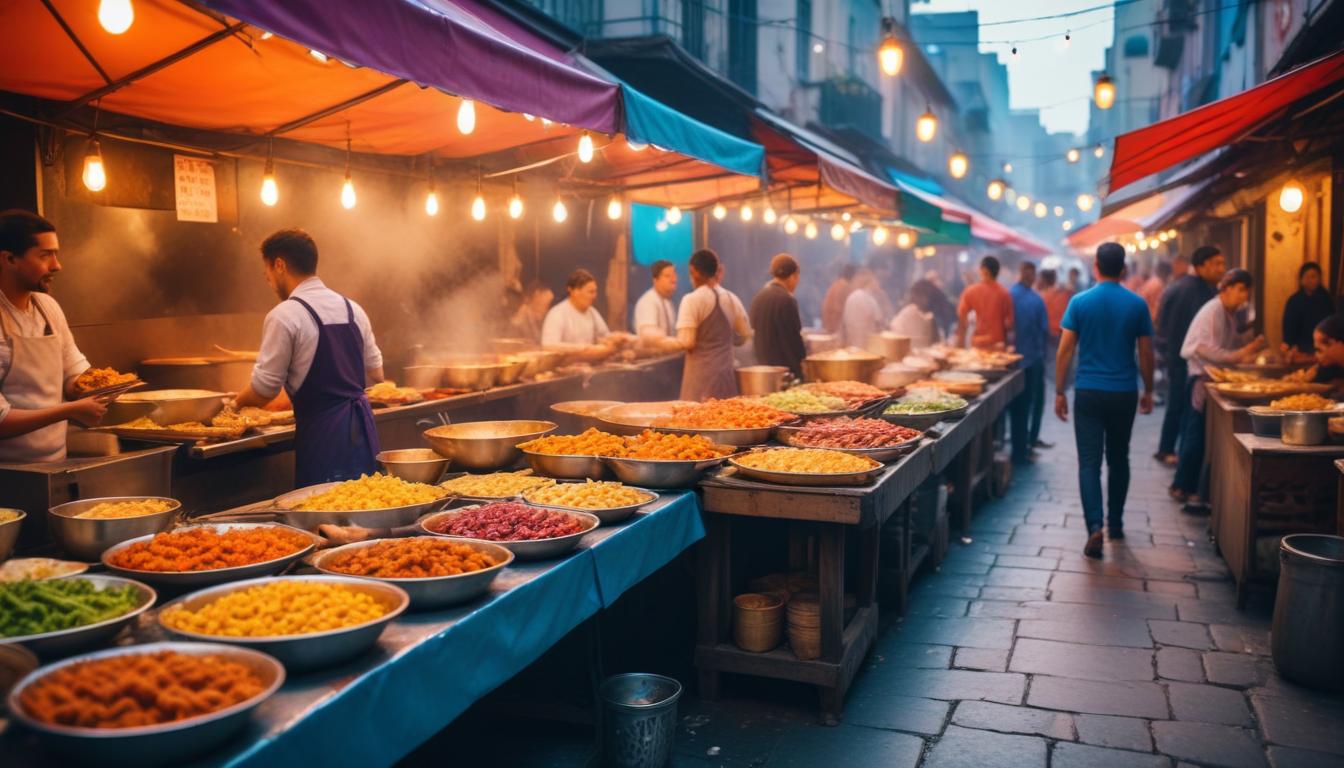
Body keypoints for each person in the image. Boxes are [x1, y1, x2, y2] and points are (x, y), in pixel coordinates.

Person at [235, 229, 383, 485]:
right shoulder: (353, 308)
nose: (268, 282)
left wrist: (233, 407)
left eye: (266, 273)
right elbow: (376, 374)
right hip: (362, 429)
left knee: (322, 514)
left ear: (279, 264)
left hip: (323, 433)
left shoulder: (285, 315)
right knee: (365, 504)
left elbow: (264, 389)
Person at [1054, 242, 1155, 558]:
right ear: (1124, 268)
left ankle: (1095, 526)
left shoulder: (1079, 302)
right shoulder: (1137, 305)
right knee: (1118, 457)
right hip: (1124, 392)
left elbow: (1065, 350)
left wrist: (1059, 390)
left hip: (1089, 392)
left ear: (1095, 266)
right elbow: (1146, 351)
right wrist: (1149, 389)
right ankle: (1117, 523)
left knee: (1089, 462)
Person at [0, 210, 105, 462]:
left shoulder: (47, 307)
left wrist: (100, 386)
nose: (57, 265)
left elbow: (73, 374)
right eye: (45, 255)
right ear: (9, 259)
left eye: (56, 254)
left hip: (55, 463)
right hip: (7, 475)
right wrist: (71, 410)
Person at [1171, 269, 1265, 504]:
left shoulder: (1228, 313)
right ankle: (1181, 485)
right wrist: (1242, 353)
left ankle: (1190, 486)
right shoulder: (1213, 310)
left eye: (1247, 291)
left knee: (1199, 433)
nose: (1244, 296)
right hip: (1200, 379)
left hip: (1212, 378)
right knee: (1195, 432)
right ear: (1226, 288)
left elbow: (1228, 346)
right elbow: (1204, 348)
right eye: (1241, 289)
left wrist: (1243, 353)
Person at [1153, 246, 1225, 466]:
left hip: (1178, 356)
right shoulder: (1193, 291)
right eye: (1217, 264)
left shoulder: (1192, 287)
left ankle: (1169, 449)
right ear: (1202, 266)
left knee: (1179, 403)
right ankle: (1166, 449)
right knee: (1178, 403)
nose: (1222, 269)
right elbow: (1179, 329)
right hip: (1182, 358)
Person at [676, 249, 751, 400]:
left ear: (694, 271)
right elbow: (745, 335)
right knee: (725, 420)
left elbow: (687, 342)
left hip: (699, 383)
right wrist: (725, 341)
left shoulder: (692, 300)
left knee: (694, 421)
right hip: (725, 378)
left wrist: (658, 342)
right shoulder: (731, 299)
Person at [1010, 261, 1050, 462]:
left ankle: (1021, 446)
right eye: (1028, 272)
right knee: (1027, 404)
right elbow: (1044, 332)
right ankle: (1023, 447)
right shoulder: (1033, 299)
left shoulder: (1015, 296)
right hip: (1029, 360)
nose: (1030, 276)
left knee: (1020, 406)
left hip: (1020, 360)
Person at [749, 254, 805, 378]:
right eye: (797, 278)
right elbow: (794, 338)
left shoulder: (759, 297)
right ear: (792, 276)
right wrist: (803, 365)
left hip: (763, 371)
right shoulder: (787, 300)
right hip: (786, 373)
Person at [542, 269, 611, 348]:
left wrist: (618, 338)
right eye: (591, 292)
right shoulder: (557, 314)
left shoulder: (592, 312)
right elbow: (549, 345)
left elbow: (605, 337)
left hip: (590, 359)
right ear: (574, 292)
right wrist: (584, 349)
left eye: (595, 292)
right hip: (566, 360)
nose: (594, 296)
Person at [955, 255, 1013, 349]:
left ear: (982, 270)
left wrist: (959, 345)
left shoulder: (971, 291)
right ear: (998, 272)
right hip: (998, 345)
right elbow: (1009, 324)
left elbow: (962, 320)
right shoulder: (1004, 294)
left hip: (978, 345)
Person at [1281, 262, 1334, 360]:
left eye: (1314, 277)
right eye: (1307, 277)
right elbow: (1288, 328)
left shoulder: (1326, 299)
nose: (1310, 280)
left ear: (1319, 279)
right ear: (1301, 280)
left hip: (1322, 348)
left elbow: (1332, 327)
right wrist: (1290, 346)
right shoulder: (1294, 301)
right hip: (1299, 349)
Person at [633, 260, 678, 342]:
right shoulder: (648, 301)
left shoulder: (668, 302)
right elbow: (649, 336)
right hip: (652, 354)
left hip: (670, 353)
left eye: (674, 275)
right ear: (655, 280)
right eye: (668, 276)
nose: (673, 280)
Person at [889, 279, 941, 349]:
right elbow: (895, 332)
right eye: (921, 296)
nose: (925, 301)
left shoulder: (930, 316)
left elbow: (936, 341)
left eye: (927, 297)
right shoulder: (907, 313)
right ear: (915, 296)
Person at [841, 268, 884, 348]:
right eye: (876, 280)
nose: (878, 284)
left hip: (852, 345)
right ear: (871, 282)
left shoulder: (852, 296)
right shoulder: (869, 299)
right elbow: (879, 324)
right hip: (866, 347)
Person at [820, 263, 856, 335]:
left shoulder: (837, 284)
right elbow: (840, 310)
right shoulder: (845, 286)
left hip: (829, 327)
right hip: (835, 329)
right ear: (854, 276)